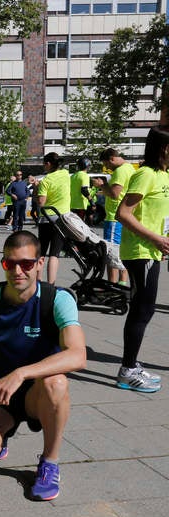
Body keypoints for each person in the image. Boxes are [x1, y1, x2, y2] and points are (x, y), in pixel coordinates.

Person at [0, 230, 86, 501]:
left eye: (26, 264)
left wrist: (21, 373)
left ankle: (49, 462)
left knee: (57, 382)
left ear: (40, 263)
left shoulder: (57, 299)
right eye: (10, 263)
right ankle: (2, 433)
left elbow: (78, 355)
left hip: (38, 394)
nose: (17, 271)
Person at [113, 125, 169, 392]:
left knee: (144, 309)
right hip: (140, 252)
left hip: (152, 250)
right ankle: (127, 370)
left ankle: (131, 365)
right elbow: (123, 214)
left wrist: (161, 239)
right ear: (165, 148)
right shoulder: (145, 174)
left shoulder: (163, 175)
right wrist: (155, 238)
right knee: (142, 310)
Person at [93, 148, 135, 286]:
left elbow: (115, 193)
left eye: (106, 164)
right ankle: (122, 282)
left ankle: (112, 285)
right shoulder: (130, 168)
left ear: (112, 158)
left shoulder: (120, 171)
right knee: (122, 251)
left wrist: (102, 185)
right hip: (125, 216)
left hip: (114, 218)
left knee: (111, 253)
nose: (107, 168)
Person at [36, 152, 71, 284]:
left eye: (44, 164)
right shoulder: (65, 174)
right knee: (54, 254)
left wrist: (36, 188)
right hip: (62, 219)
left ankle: (38, 282)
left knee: (41, 253)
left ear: (48, 164)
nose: (44, 167)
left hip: (47, 219)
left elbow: (41, 202)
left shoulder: (46, 180)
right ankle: (51, 284)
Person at [70, 158, 95, 222]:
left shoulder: (73, 176)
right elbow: (84, 190)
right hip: (80, 205)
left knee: (73, 224)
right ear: (88, 166)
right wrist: (92, 202)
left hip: (71, 205)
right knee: (79, 224)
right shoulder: (84, 175)